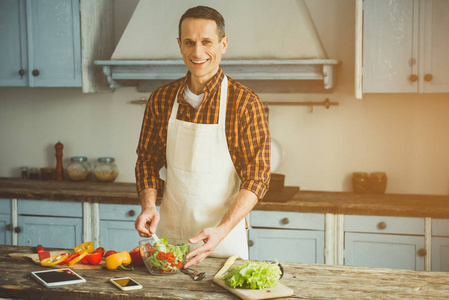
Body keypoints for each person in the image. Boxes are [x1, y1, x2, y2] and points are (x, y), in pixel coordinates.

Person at [134, 5, 270, 268]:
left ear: (223, 44)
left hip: (222, 243)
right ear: (180, 45)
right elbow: (147, 161)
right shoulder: (161, 99)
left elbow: (258, 176)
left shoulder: (244, 103)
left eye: (206, 42)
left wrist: (221, 230)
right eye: (189, 42)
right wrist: (149, 206)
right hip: (168, 245)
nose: (197, 52)